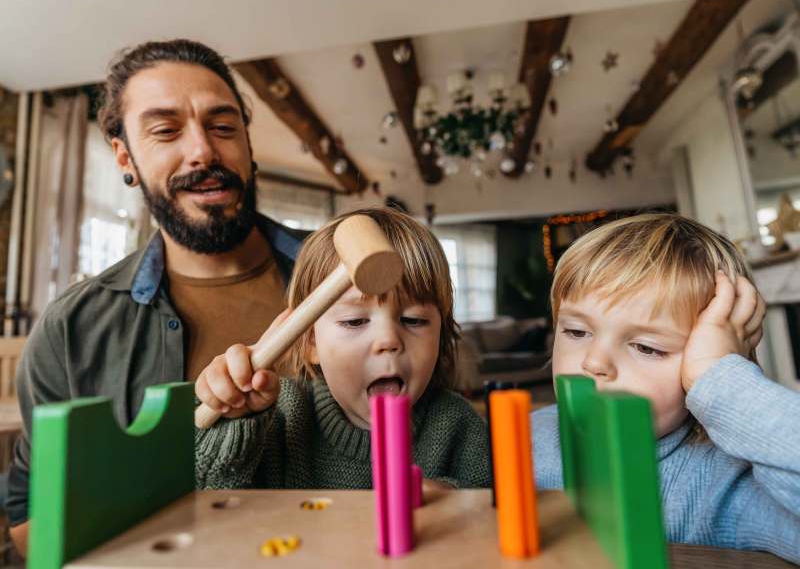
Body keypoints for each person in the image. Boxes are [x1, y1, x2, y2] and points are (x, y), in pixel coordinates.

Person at [6, 39, 305, 555]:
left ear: (248, 147)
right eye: (166, 130)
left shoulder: (343, 285)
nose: (204, 152)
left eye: (223, 126)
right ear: (126, 155)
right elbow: (30, 525)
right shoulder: (71, 331)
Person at [533, 213, 800, 563]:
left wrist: (720, 380)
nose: (594, 362)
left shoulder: (723, 485)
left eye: (647, 347)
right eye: (576, 332)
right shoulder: (528, 436)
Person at [194, 207, 489, 490]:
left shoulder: (458, 425)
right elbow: (208, 494)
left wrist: (452, 497)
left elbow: (490, 508)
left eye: (414, 320)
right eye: (355, 321)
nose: (388, 340)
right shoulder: (281, 415)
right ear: (310, 342)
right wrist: (234, 422)